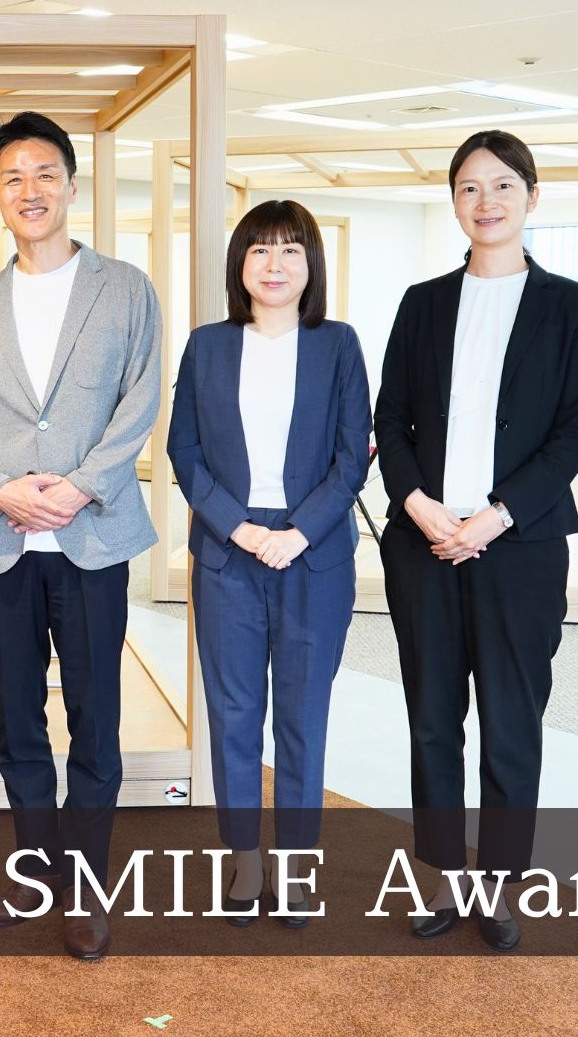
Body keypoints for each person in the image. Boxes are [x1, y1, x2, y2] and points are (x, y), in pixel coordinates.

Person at [0, 110, 161, 962]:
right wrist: (0, 489)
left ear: (70, 184)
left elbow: (141, 398)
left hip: (92, 538)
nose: (30, 190)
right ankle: (36, 874)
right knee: (18, 724)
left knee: (95, 721)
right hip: (4, 544)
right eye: (12, 178)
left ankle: (87, 886)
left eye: (44, 174)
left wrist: (78, 486)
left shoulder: (124, 289)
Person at [373, 130, 578, 952]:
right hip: (425, 544)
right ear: (454, 202)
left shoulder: (570, 305)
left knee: (511, 722)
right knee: (432, 720)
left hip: (521, 545)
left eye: (503, 185)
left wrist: (496, 516)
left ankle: (501, 882)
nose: (486, 201)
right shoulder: (423, 302)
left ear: (532, 197)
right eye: (469, 187)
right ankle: (439, 874)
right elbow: (391, 415)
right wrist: (417, 505)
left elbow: (576, 429)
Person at [167, 200, 370, 926]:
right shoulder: (207, 346)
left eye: (290, 249)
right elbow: (184, 451)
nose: (274, 264)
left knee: (302, 715)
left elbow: (353, 456)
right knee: (232, 712)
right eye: (259, 250)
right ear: (240, 264)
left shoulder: (338, 344)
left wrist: (300, 532)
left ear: (311, 263)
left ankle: (295, 863)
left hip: (314, 555)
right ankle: (245, 859)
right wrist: (241, 529)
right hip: (229, 552)